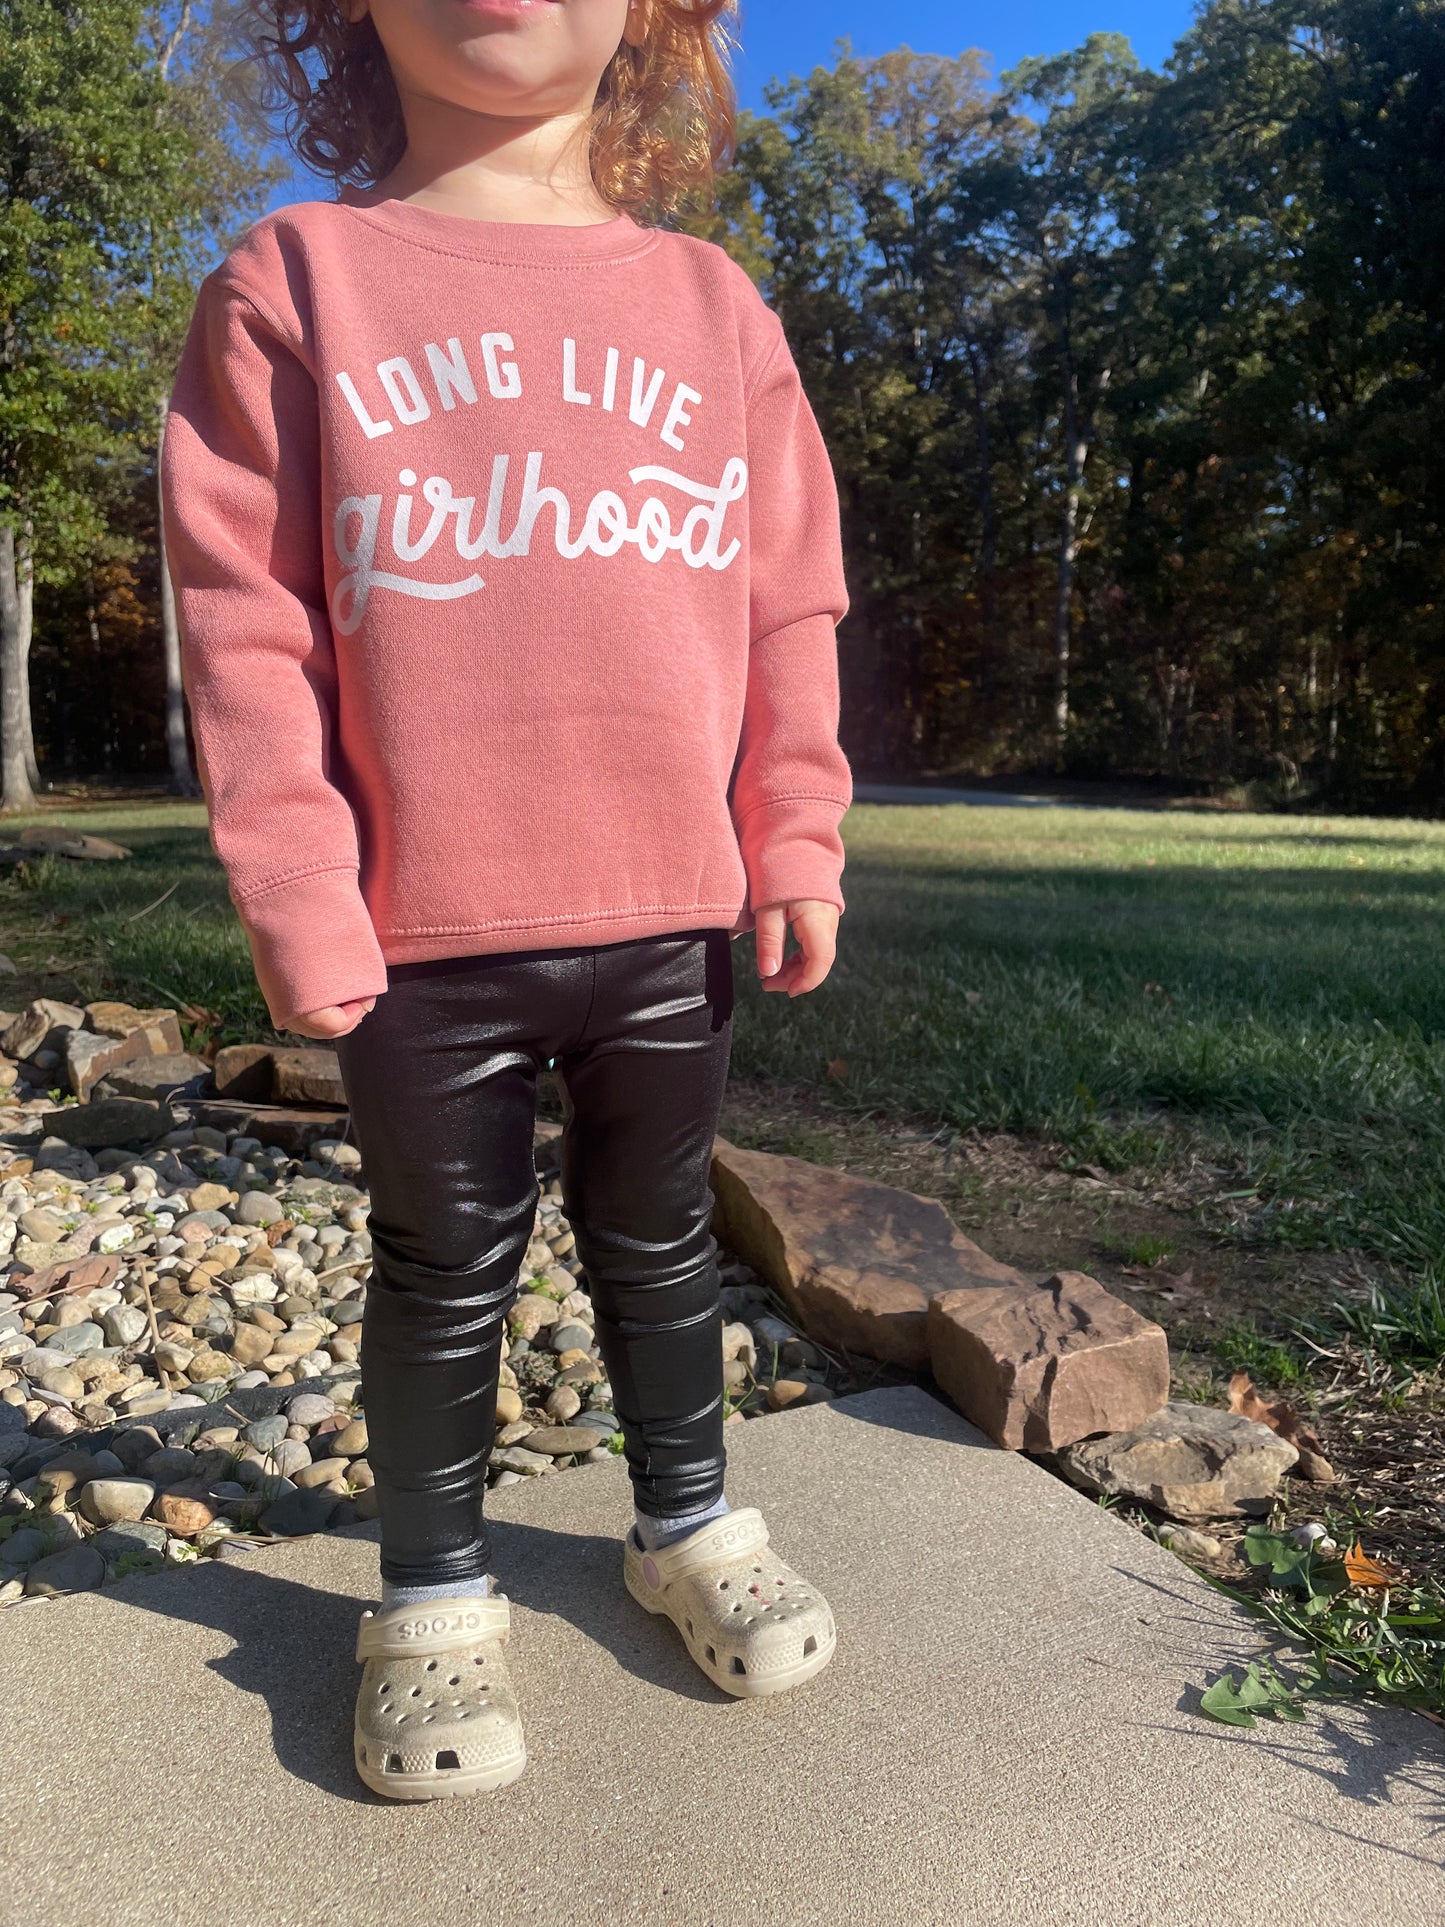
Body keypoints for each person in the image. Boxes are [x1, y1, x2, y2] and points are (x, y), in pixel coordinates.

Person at [160, 0, 851, 1803]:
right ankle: (433, 1594)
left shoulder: (713, 309)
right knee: (440, 1269)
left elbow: (786, 601)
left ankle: (684, 1523)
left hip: (667, 917)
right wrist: (298, 888)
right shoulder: (296, 279)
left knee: (661, 1242)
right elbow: (248, 627)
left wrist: (792, 828)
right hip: (420, 941)